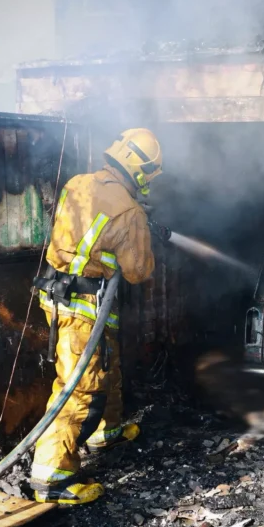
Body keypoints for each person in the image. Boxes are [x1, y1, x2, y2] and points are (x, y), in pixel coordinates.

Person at [30, 128, 163, 505]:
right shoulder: (129, 210)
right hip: (84, 306)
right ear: (141, 172)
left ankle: (108, 429)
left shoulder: (79, 182)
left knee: (109, 363)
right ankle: (51, 477)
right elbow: (138, 271)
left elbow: (93, 228)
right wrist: (142, 235)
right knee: (79, 386)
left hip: (59, 294)